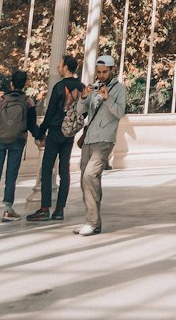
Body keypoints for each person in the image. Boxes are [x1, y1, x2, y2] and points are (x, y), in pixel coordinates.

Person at [73, 55, 127, 236]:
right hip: (89, 139)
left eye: (105, 72)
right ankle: (93, 222)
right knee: (86, 180)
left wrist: (107, 98)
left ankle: (92, 221)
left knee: (90, 175)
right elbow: (80, 112)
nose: (101, 75)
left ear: (112, 70)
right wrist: (83, 97)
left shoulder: (119, 89)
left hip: (105, 139)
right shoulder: (92, 88)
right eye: (99, 72)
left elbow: (119, 113)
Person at [27, 54, 83, 222]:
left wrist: (40, 132)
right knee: (64, 171)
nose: (58, 68)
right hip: (69, 133)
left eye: (60, 65)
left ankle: (44, 209)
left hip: (55, 132)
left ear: (66, 67)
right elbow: (84, 111)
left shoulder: (59, 87)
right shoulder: (81, 87)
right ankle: (59, 210)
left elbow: (50, 112)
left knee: (46, 169)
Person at [0, 69, 39, 221]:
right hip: (18, 139)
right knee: (11, 175)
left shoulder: (1, 99)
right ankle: (8, 209)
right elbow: (31, 123)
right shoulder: (28, 101)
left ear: (11, 83)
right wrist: (39, 135)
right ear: (25, 84)